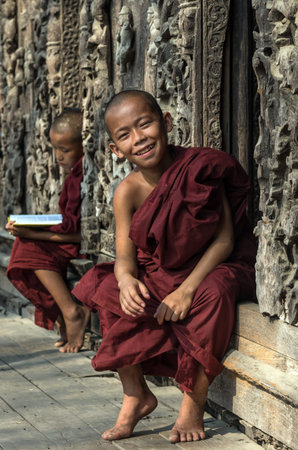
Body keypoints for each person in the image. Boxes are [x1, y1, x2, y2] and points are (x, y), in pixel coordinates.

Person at [72, 90, 257, 442]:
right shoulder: (127, 191)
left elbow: (224, 241)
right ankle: (135, 393)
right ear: (115, 149)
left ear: (166, 122)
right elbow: (125, 259)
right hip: (163, 271)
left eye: (145, 124)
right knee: (108, 287)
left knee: (215, 293)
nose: (138, 138)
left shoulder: (200, 169)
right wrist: (126, 281)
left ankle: (193, 401)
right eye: (124, 134)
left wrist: (186, 291)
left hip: (212, 266)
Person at [6, 108, 90, 353]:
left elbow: (78, 233)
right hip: (70, 238)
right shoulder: (74, 174)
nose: (58, 157)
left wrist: (33, 234)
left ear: (84, 146)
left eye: (65, 150)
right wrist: (28, 228)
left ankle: (71, 312)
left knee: (28, 246)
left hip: (83, 241)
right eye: (55, 149)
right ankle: (63, 315)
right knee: (25, 245)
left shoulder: (84, 173)